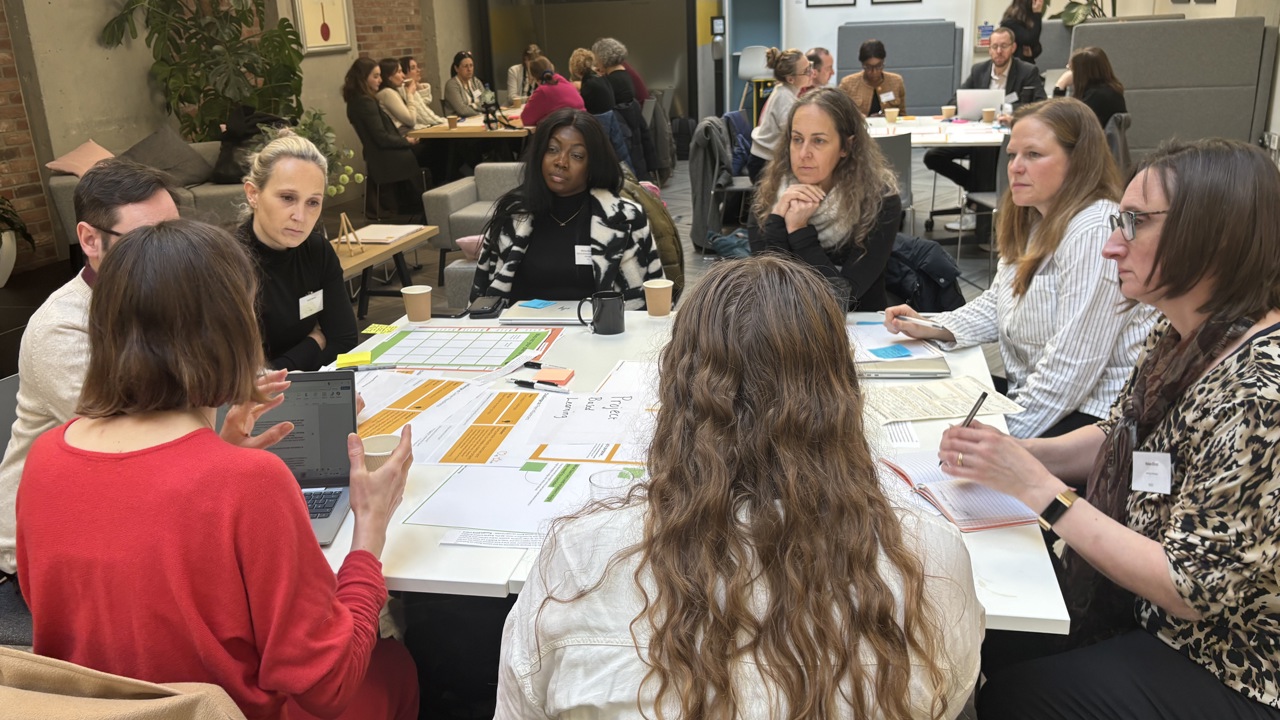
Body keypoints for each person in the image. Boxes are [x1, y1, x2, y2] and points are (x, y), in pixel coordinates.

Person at [496, 255, 983, 719]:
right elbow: (951, 695)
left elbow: (519, 706)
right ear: (841, 394)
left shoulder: (580, 561)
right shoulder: (930, 557)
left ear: (677, 394)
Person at [16, 218, 418, 720]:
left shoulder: (48, 456)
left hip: (90, 709)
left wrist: (216, 447)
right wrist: (370, 531)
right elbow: (326, 683)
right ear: (231, 331)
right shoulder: (249, 483)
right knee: (394, 665)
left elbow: (79, 604)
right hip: (221, 711)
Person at [940, 138, 1280, 720]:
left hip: (1228, 658)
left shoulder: (1260, 388)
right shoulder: (1181, 334)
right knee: (981, 635)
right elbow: (1119, 434)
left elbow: (1190, 588)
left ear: (1217, 235)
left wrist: (1040, 490)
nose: (1110, 245)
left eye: (1135, 223)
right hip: (1150, 609)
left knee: (1016, 695)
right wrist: (1019, 452)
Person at [886, 98, 1155, 440]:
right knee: (914, 405)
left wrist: (1003, 437)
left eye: (1033, 155)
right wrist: (934, 326)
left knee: (930, 436)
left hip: (1089, 418)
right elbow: (998, 302)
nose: (1014, 167)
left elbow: (1072, 368)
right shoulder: (1036, 220)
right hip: (1033, 396)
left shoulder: (1093, 227)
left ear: (1078, 161)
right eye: (1012, 155)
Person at [470, 108, 663, 308]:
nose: (561, 162)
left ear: (593, 164)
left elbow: (653, 304)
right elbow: (481, 296)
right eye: (552, 149)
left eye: (577, 155)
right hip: (524, 333)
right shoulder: (512, 214)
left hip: (600, 334)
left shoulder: (625, 218)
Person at [749, 88, 901, 311]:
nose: (803, 153)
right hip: (784, 326)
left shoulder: (878, 200)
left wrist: (799, 231)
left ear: (846, 147)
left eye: (818, 141)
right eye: (797, 139)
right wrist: (777, 222)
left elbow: (840, 299)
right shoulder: (769, 196)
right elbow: (770, 291)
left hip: (857, 326)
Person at [239, 133, 358, 371]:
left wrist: (286, 364)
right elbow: (248, 380)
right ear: (253, 194)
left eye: (313, 202)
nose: (300, 217)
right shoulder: (225, 263)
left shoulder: (317, 251)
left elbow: (344, 341)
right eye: (287, 198)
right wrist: (315, 342)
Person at [926, 26, 1046, 232]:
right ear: (989, 49)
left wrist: (1013, 114)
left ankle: (979, 214)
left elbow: (1041, 103)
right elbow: (957, 97)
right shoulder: (979, 70)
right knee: (933, 156)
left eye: (1004, 46)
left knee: (985, 154)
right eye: (995, 47)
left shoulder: (1027, 71)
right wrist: (955, 107)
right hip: (974, 135)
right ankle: (976, 197)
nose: (999, 51)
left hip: (1006, 138)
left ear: (1013, 47)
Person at [342, 57, 424, 215]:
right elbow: (381, 137)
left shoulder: (357, 101)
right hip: (388, 158)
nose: (380, 80)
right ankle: (426, 203)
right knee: (434, 152)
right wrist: (405, 141)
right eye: (375, 76)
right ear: (363, 78)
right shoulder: (365, 102)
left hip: (381, 155)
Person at [746, 47, 812, 183]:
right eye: (806, 71)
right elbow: (794, 134)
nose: (812, 73)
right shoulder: (784, 99)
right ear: (791, 79)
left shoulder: (784, 90)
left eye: (809, 66)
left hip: (767, 158)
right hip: (764, 165)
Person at [1054, 46, 1127, 129]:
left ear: (1083, 73)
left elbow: (1060, 122)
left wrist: (1060, 85)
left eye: (1071, 68)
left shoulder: (1098, 96)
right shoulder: (1109, 90)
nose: (1068, 71)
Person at [838, 39, 906, 117]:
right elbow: (839, 116)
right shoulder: (848, 84)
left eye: (878, 66)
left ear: (884, 62)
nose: (874, 72)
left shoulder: (896, 82)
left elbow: (902, 115)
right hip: (859, 128)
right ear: (862, 64)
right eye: (869, 67)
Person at [519, 57, 586, 127]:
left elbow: (525, 119)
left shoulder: (542, 91)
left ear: (533, 77)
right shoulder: (563, 81)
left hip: (566, 131)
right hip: (584, 128)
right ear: (552, 67)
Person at [398, 56, 446, 128]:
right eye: (413, 68)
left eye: (417, 67)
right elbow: (426, 118)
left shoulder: (414, 90)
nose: (418, 70)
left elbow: (425, 102)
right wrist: (445, 121)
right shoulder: (405, 90)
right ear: (404, 74)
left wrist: (418, 86)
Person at [1000, 0, 1045, 66]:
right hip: (1015, 69)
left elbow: (1037, 48)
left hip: (1027, 66)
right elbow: (1030, 40)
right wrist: (1037, 13)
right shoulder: (1009, 22)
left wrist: (1031, 51)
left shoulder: (1027, 21)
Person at [443, 50, 485, 118]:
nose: (469, 69)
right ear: (456, 68)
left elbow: (486, 102)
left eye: (471, 65)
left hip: (478, 118)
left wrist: (472, 106)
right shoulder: (452, 85)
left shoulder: (476, 81)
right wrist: (479, 112)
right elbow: (462, 110)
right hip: (459, 122)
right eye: (465, 66)